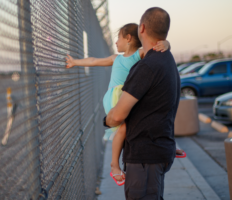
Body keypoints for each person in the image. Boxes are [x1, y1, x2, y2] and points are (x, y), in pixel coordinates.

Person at [65, 23, 170, 184]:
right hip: (117, 97)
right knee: (123, 129)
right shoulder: (116, 58)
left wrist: (167, 44)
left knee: (142, 120)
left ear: (128, 38)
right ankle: (114, 164)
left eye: (118, 38)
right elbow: (94, 61)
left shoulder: (139, 54)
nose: (116, 42)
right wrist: (75, 62)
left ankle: (166, 144)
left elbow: (158, 50)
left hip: (126, 95)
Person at [104, 7, 180, 199]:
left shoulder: (146, 67)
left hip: (145, 157)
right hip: (158, 152)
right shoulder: (167, 59)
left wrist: (106, 121)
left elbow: (118, 115)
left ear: (142, 28)